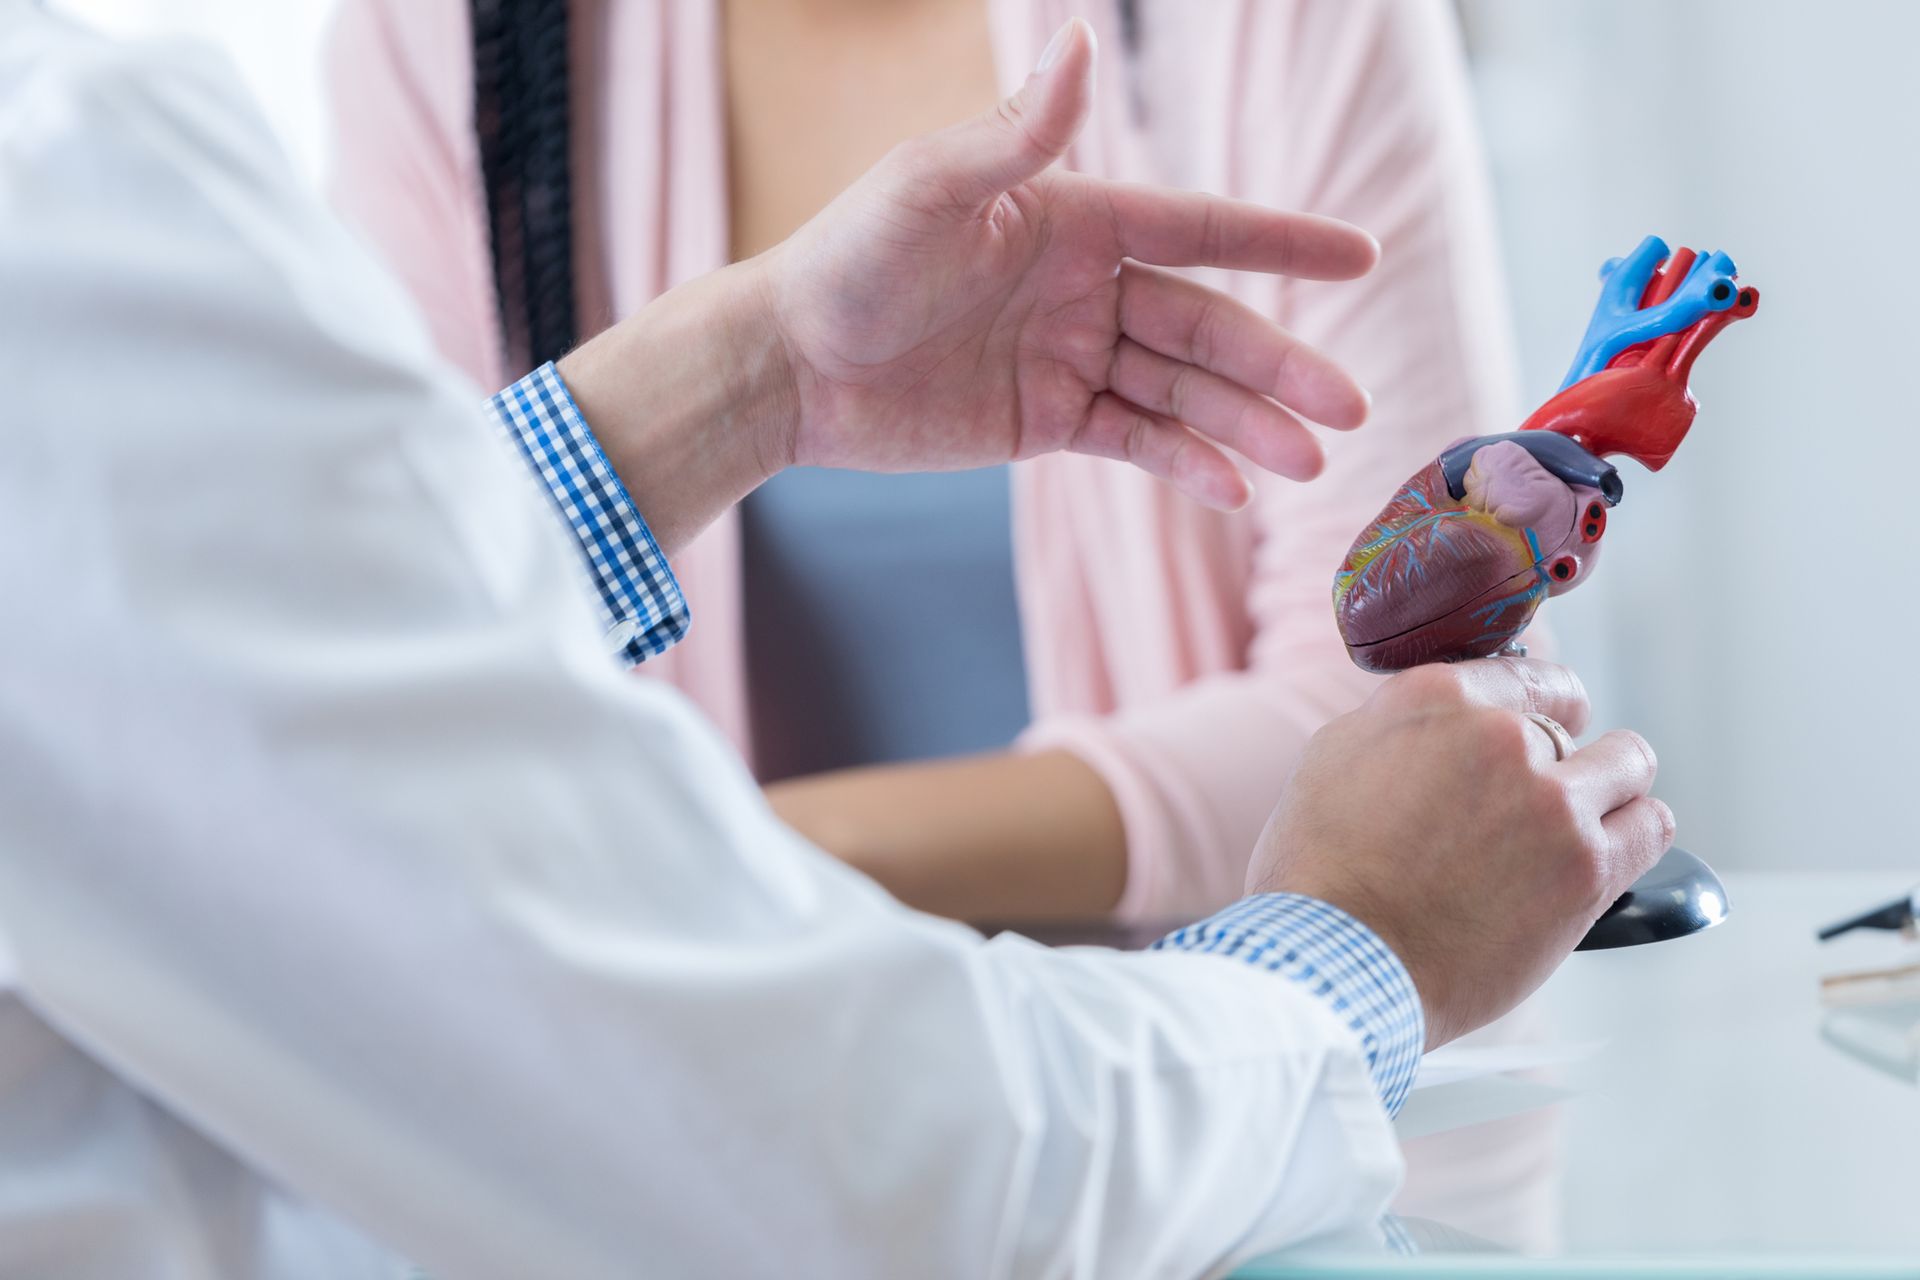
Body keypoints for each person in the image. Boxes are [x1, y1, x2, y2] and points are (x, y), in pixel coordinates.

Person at [0, 8, 1671, 1278]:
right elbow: (864, 1161)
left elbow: (286, 649)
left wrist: (746, 383)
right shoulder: (103, 170)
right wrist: (1350, 958)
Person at [325, 0, 1522, 924]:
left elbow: (1417, 703)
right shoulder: (456, 44)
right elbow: (395, 699)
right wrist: (748, 385)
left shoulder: (1274, 24)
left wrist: (766, 865)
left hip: (1209, 1120)